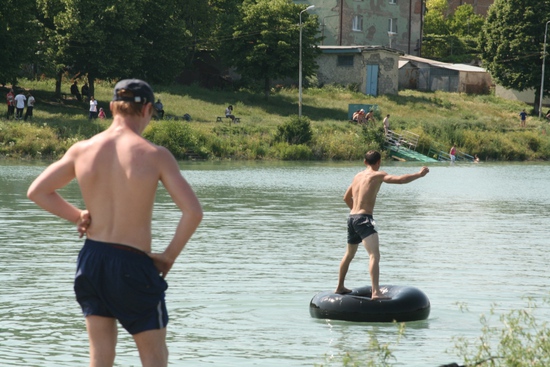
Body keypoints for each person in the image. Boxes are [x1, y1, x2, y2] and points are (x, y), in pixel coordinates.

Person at [27, 78, 203, 367]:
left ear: (111, 108)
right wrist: (169, 256)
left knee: (100, 357)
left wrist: (78, 215)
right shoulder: (155, 155)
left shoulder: (82, 149)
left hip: (91, 260)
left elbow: (37, 191)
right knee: (155, 357)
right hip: (133, 264)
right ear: (147, 109)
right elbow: (193, 212)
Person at [335, 150, 429, 299]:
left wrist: (355, 211)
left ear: (365, 162)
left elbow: (346, 198)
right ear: (378, 162)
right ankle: (375, 292)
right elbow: (400, 180)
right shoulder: (378, 175)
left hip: (352, 218)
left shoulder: (357, 176)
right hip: (364, 219)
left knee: (349, 255)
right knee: (374, 255)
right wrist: (419, 174)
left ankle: (340, 286)